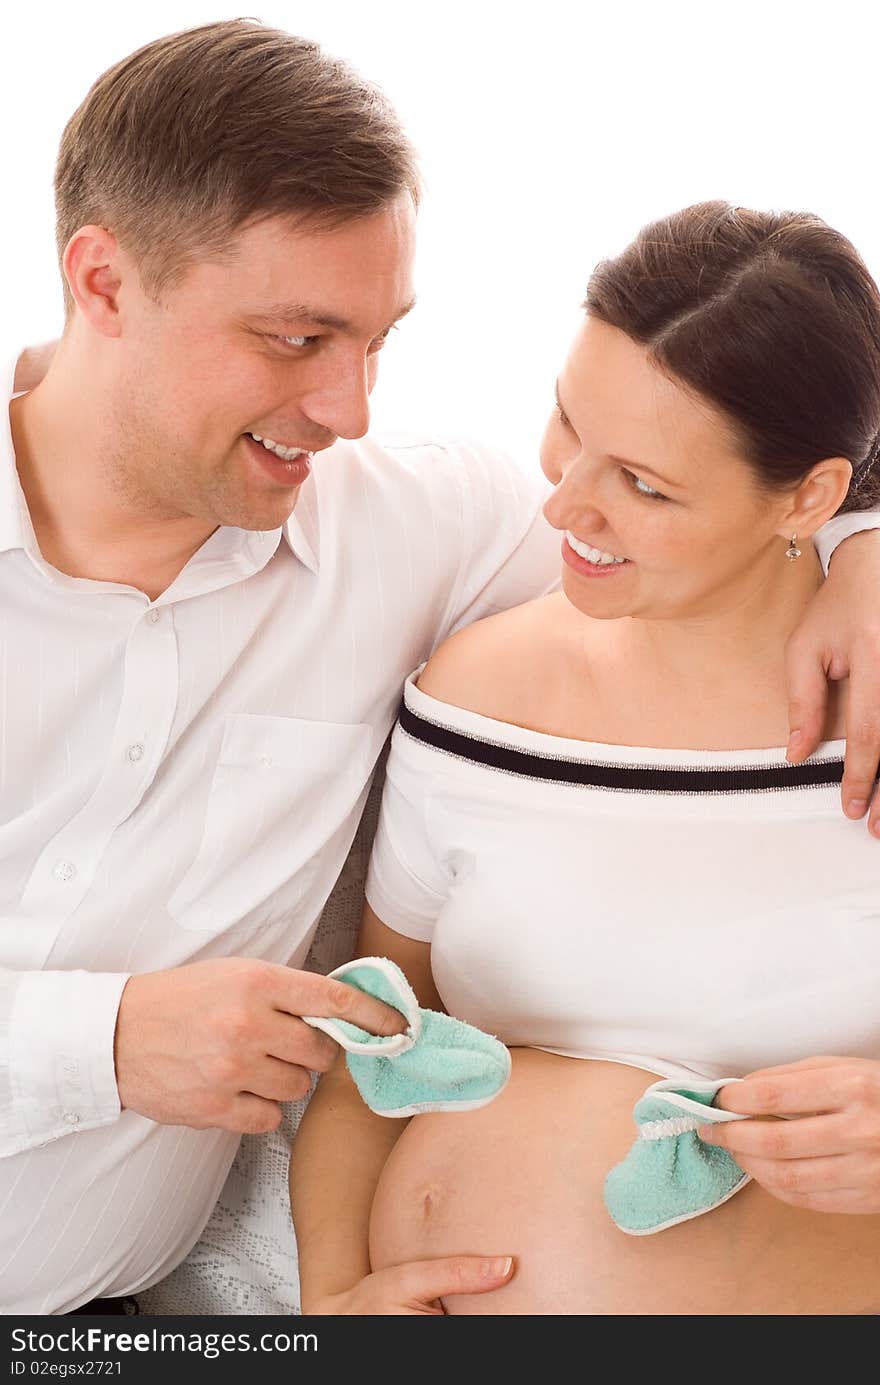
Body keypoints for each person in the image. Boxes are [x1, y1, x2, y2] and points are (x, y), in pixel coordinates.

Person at [2, 21, 879, 1318]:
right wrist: (98, 1045)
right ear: (104, 281)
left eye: (379, 338)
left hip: (102, 1335)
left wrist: (863, 543)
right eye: (296, 339)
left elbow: (730, 465)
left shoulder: (410, 528)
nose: (350, 408)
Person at [292, 201, 880, 1316]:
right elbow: (369, 1048)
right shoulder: (474, 696)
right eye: (567, 423)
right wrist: (332, 1312)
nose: (564, 503)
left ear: (808, 495)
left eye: (645, 486)